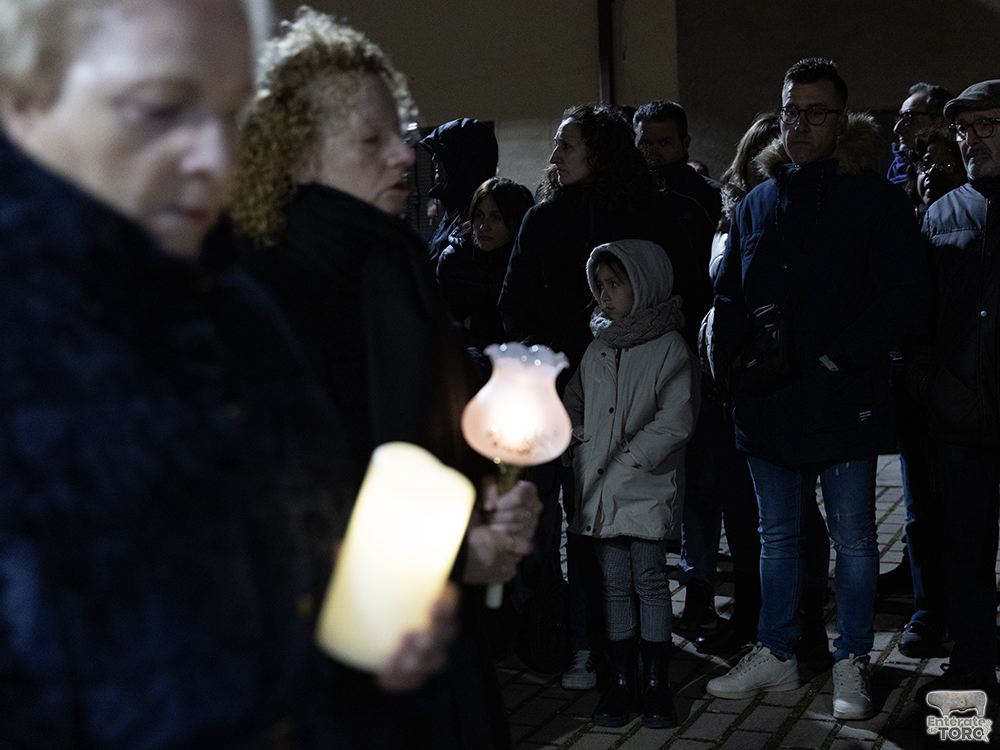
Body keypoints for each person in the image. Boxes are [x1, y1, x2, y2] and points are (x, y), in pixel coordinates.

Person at [0, 0, 458, 745]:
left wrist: (377, 666)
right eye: (159, 108)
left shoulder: (232, 311)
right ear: (21, 100)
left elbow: (306, 604)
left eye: (228, 114)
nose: (215, 157)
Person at [230, 10, 541, 750]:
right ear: (294, 153)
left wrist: (488, 506)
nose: (404, 153)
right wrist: (460, 552)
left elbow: (414, 453)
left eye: (399, 130)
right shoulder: (263, 291)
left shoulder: (388, 272)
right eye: (371, 139)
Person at [707, 58, 928, 721]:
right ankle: (776, 650)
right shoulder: (759, 201)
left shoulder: (875, 199)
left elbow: (904, 294)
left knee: (854, 537)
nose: (799, 125)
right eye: (790, 111)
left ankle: (852, 659)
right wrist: (732, 378)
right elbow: (731, 298)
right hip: (770, 400)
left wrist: (840, 359)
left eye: (815, 112)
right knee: (778, 537)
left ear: (842, 120)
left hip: (842, 397)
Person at [498, 104, 710, 693]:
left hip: (648, 393)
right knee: (585, 521)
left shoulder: (657, 212)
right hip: (576, 394)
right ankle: (593, 646)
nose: (554, 156)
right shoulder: (545, 221)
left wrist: (658, 360)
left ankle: (647, 654)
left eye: (566, 145)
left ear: (601, 151)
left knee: (644, 529)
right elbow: (514, 305)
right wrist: (555, 371)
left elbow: (689, 293)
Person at [563, 239, 699, 729]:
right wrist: (574, 434)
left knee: (649, 580)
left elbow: (676, 418)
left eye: (615, 284)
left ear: (643, 286)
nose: (605, 296)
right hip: (599, 489)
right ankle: (622, 682)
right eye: (599, 286)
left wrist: (633, 456)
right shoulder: (598, 346)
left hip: (643, 485)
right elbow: (575, 398)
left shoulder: (669, 348)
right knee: (615, 584)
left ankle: (657, 681)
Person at [907, 79, 1000, 700]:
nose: (972, 140)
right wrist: (934, 385)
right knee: (964, 550)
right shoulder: (942, 214)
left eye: (987, 125)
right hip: (960, 419)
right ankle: (969, 681)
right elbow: (917, 316)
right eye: (964, 129)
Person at [437, 177, 535, 355]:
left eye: (496, 217)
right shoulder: (453, 259)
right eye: (479, 215)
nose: (483, 226)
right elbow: (442, 324)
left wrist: (476, 324)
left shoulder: (526, 262)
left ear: (514, 221)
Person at [419, 118, 499, 268]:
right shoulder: (455, 209)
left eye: (444, 154)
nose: (434, 158)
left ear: (463, 162)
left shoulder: (481, 215)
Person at [886, 82, 953, 188]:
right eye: (900, 118)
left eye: (909, 118)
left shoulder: (954, 178)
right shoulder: (894, 171)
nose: (897, 129)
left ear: (941, 121)